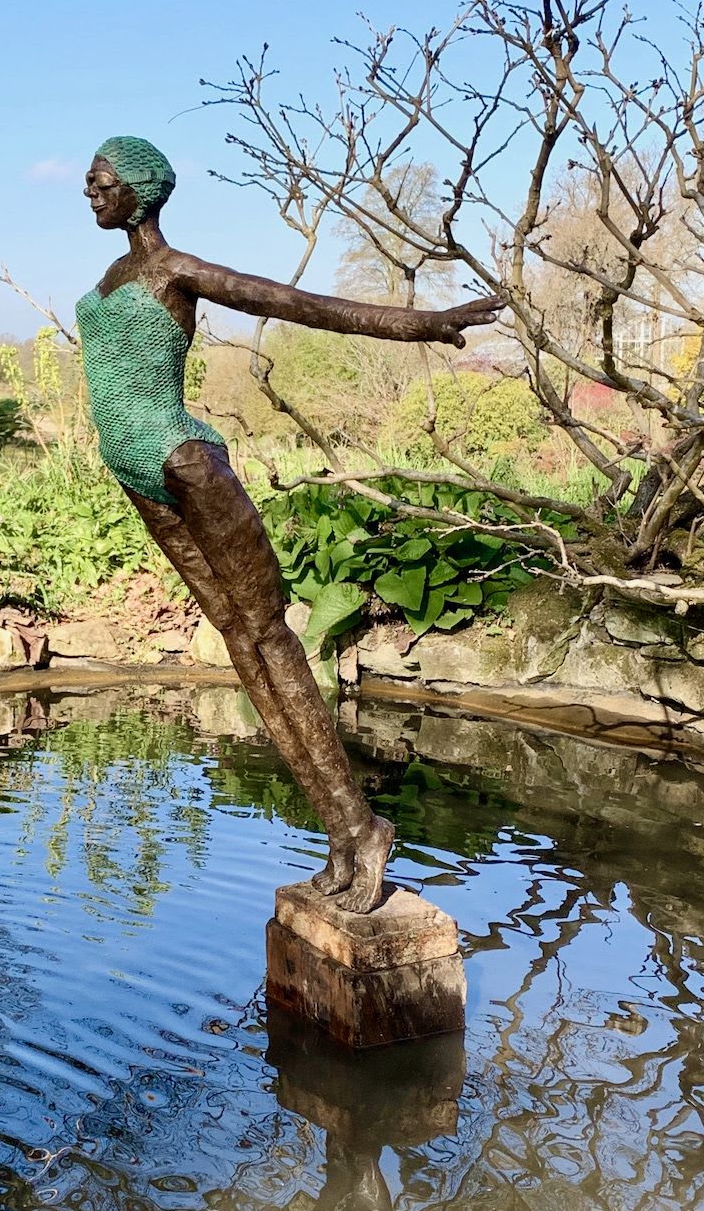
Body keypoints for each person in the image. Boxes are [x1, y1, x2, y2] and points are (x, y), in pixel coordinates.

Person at [75, 136, 501, 912]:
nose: (88, 191)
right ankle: (345, 835)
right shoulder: (108, 280)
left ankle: (363, 831)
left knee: (268, 636)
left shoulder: (176, 271)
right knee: (242, 648)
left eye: (99, 180)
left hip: (183, 463)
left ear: (140, 188)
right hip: (137, 471)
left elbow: (303, 307)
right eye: (87, 181)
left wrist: (428, 322)